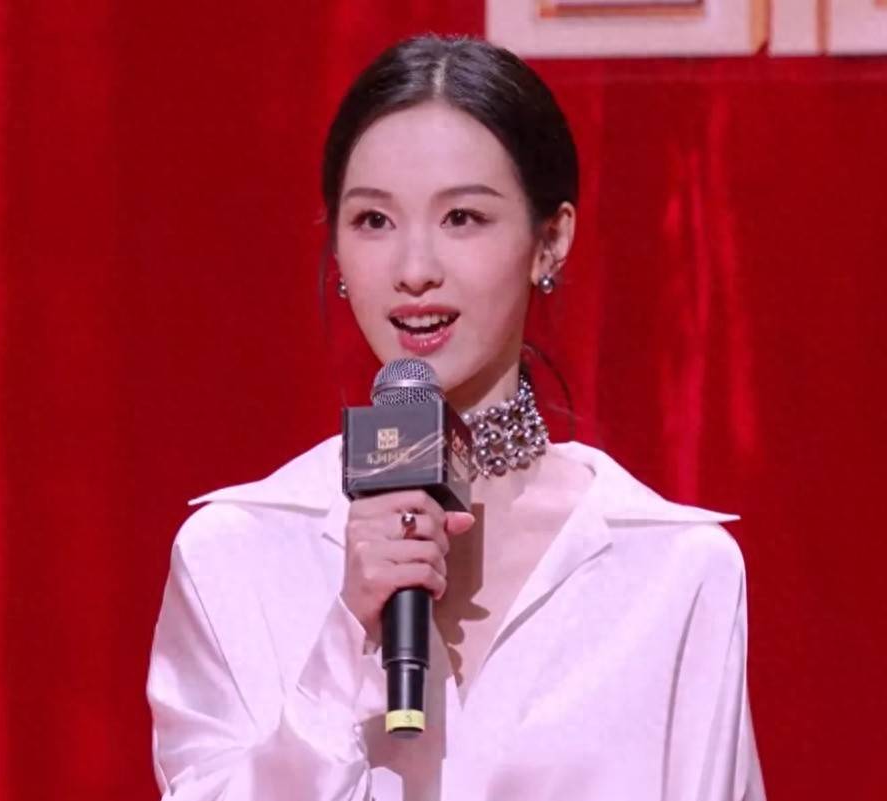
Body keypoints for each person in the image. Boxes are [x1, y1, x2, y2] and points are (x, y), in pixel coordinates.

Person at [146, 34, 765, 801]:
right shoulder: (237, 554)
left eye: (463, 217)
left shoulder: (674, 570)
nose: (414, 270)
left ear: (550, 240)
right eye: (374, 220)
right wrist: (346, 636)